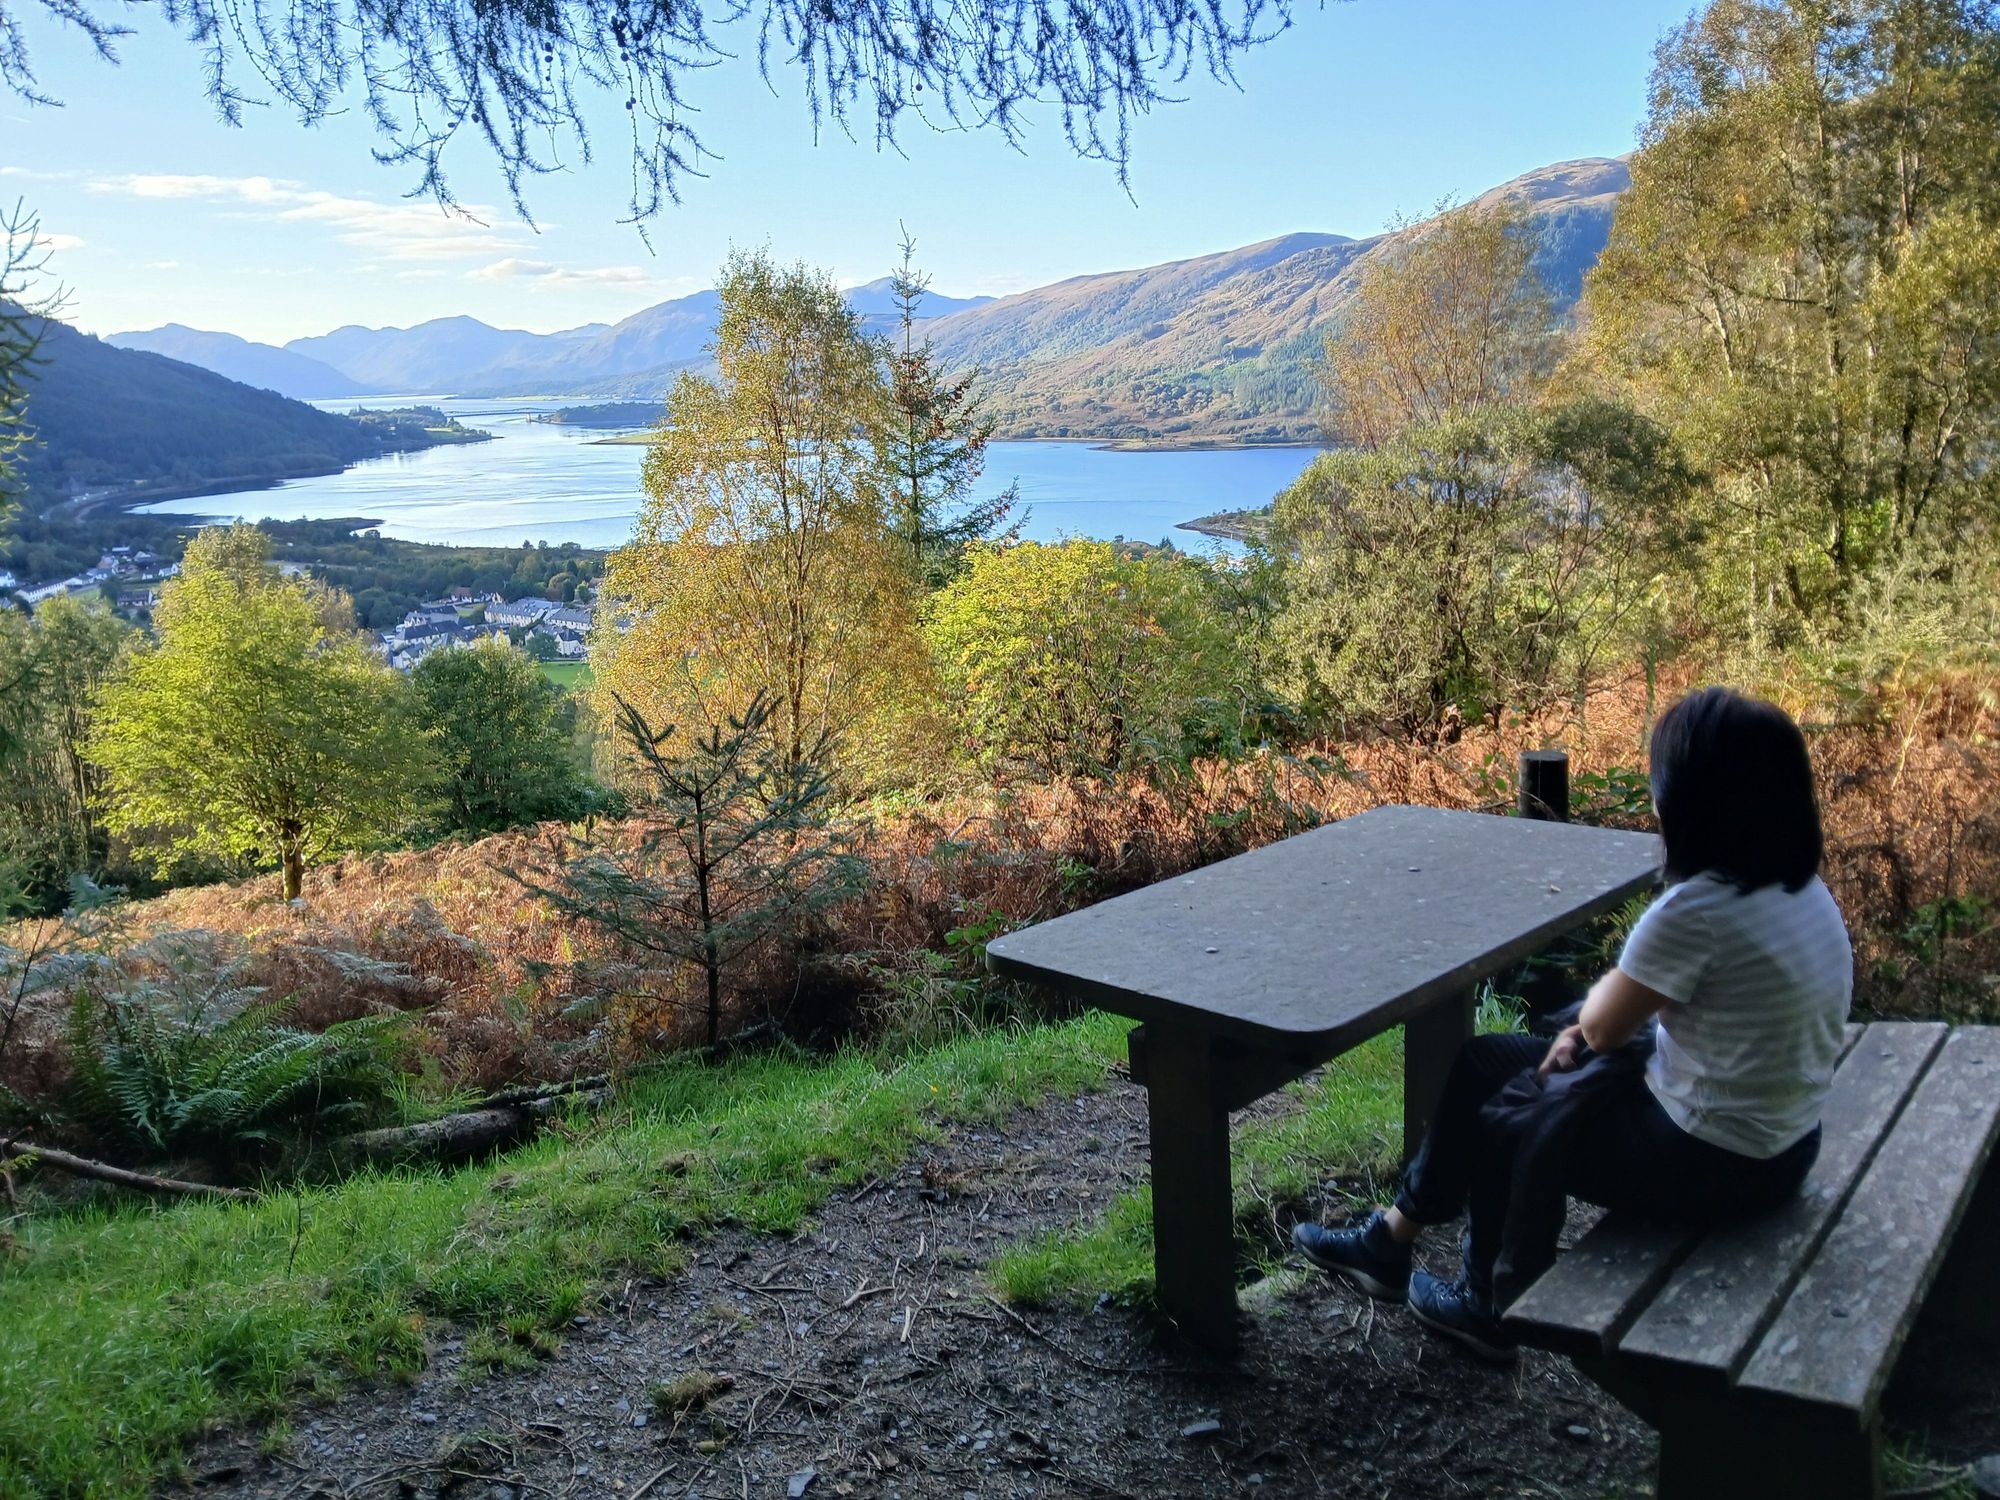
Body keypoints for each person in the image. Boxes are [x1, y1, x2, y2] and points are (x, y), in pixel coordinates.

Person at [1293, 686, 1853, 1362]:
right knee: (1492, 1062)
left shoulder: (1696, 911)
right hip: (1784, 1150)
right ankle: (1391, 1237)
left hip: (1708, 1165)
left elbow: (1606, 1025)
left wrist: (1587, 1026)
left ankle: (1483, 1305)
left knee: (1507, 1104)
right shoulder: (1804, 893)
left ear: (1689, 803)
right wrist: (1587, 1029)